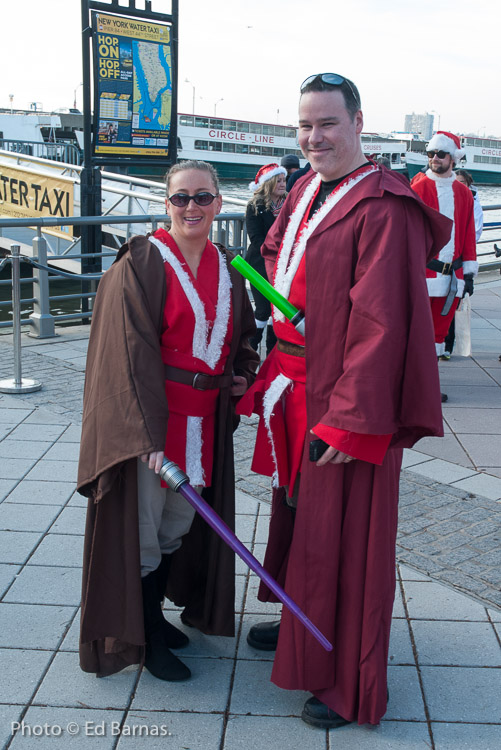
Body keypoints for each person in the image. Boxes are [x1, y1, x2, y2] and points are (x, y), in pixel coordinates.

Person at [237, 73, 452, 729]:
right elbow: (281, 258)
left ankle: (343, 680)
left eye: (326, 123)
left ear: (358, 123)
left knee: (347, 539)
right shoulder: (305, 188)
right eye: (304, 124)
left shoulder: (382, 206)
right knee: (302, 520)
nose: (314, 137)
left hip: (340, 401)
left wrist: (347, 421)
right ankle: (304, 625)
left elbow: (381, 325)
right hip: (294, 381)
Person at [77, 159, 259, 682]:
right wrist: (144, 433)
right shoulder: (141, 262)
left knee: (177, 527)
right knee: (143, 535)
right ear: (166, 204)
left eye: (203, 197)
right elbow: (125, 353)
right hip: (154, 429)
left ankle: (155, 616)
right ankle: (146, 636)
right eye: (181, 198)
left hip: (202, 423)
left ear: (220, 203)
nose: (192, 208)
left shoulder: (229, 269)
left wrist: (242, 375)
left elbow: (242, 338)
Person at [411, 132, 478, 396]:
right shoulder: (417, 189)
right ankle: (413, 389)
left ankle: (428, 388)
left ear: (453, 158)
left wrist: (469, 272)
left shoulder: (464, 193)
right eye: (431, 154)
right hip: (423, 275)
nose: (434, 159)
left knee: (439, 335)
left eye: (440, 154)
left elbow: (469, 234)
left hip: (453, 278)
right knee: (417, 333)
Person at [245, 163, 287, 355]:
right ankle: (249, 353)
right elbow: (255, 238)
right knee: (262, 309)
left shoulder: (289, 203)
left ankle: (271, 356)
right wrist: (276, 251)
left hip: (284, 264)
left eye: (284, 180)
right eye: (278, 180)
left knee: (276, 310)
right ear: (268, 183)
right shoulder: (255, 206)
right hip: (259, 263)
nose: (283, 184)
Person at [443, 168, 484, 359]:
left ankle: (447, 346)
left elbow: (474, 234)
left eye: (463, 182)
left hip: (460, 260)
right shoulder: (445, 197)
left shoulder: (472, 203)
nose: (459, 185)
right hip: (441, 260)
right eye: (456, 181)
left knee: (453, 302)